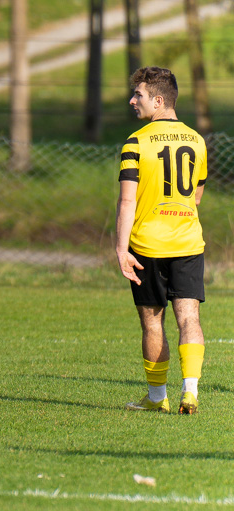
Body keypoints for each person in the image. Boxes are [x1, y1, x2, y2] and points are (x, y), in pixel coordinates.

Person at [116, 66, 207, 415]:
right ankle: (191, 392)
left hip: (148, 245)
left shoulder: (135, 142)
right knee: (189, 317)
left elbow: (127, 201)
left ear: (158, 100)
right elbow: (196, 197)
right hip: (187, 242)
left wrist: (120, 248)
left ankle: (157, 399)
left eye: (137, 95)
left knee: (153, 321)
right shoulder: (197, 140)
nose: (131, 100)